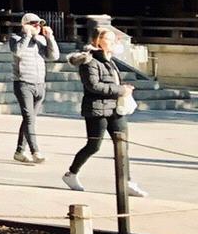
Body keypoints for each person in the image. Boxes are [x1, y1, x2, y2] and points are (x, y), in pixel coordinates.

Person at [63, 27, 147, 197]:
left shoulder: (111, 61)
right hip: (97, 109)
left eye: (114, 39)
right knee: (94, 145)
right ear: (98, 41)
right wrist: (120, 90)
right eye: (109, 39)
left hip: (116, 109)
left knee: (122, 145)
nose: (113, 43)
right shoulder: (89, 61)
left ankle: (126, 182)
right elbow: (93, 86)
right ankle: (71, 173)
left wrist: (123, 89)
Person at [9, 13, 61, 165]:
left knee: (29, 120)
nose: (38, 26)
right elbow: (18, 52)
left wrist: (50, 38)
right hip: (23, 83)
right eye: (34, 24)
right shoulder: (15, 38)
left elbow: (54, 56)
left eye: (39, 24)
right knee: (29, 118)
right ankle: (35, 151)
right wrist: (26, 35)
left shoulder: (40, 40)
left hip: (40, 83)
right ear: (25, 25)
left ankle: (19, 151)